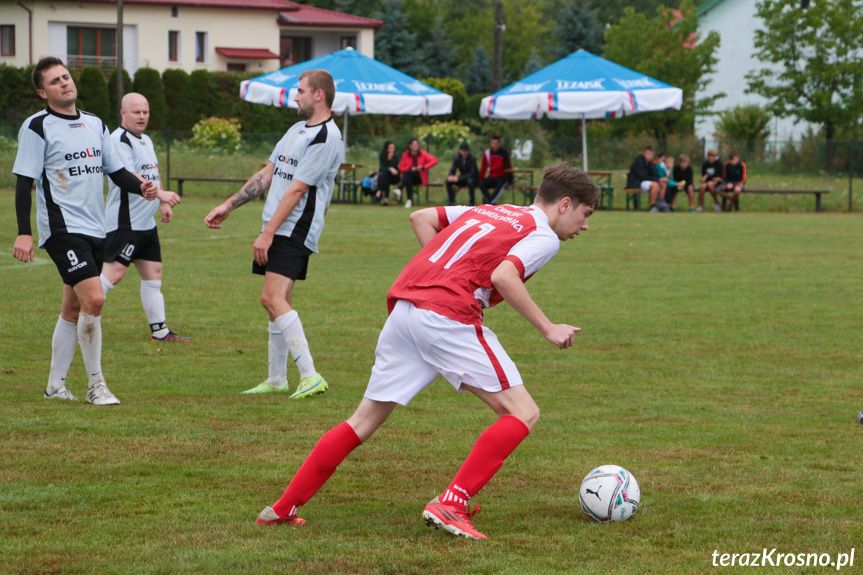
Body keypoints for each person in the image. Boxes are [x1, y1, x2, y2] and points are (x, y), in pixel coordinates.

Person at [254, 162, 599, 540]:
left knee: (363, 421)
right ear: (565, 204)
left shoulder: (488, 210)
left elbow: (422, 218)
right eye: (586, 214)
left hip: (405, 309)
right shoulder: (544, 234)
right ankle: (452, 502)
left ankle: (282, 508)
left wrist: (446, 271)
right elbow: (504, 275)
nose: (585, 227)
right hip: (445, 316)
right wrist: (549, 328)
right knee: (523, 412)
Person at [12, 57, 158, 405]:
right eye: (54, 81)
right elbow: (24, 182)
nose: (64, 83)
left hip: (97, 228)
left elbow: (116, 171)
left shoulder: (94, 123)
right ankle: (96, 385)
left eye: (65, 76)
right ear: (42, 92)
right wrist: (24, 231)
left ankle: (55, 387)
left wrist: (142, 187)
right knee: (95, 298)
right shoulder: (37, 126)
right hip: (63, 229)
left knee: (73, 309)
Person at [204, 69, 344, 398]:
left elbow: (297, 190)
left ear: (318, 95)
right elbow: (268, 173)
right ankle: (277, 379)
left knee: (271, 297)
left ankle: (310, 375)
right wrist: (229, 205)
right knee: (277, 302)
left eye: (300, 91)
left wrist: (268, 233)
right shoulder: (297, 128)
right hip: (279, 226)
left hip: (294, 229)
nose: (295, 97)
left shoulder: (327, 137)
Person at [100, 93, 190, 342]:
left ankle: (160, 332)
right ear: (123, 113)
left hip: (145, 224)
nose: (142, 116)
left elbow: (152, 172)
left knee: (154, 273)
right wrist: (163, 193)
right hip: (125, 222)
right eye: (136, 112)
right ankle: (77, 318)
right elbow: (129, 176)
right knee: (113, 275)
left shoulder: (146, 140)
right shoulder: (118, 140)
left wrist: (162, 202)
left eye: (145, 112)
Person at [398, 138, 438, 209]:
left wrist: (423, 167)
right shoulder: (405, 155)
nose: (415, 146)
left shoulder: (423, 154)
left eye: (417, 144)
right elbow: (401, 168)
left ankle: (400, 189)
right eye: (414, 144)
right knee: (409, 176)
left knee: (408, 174)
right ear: (410, 146)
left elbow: (434, 160)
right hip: (409, 178)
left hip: (419, 177)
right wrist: (410, 168)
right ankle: (409, 200)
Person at [478, 136, 513, 205]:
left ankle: (489, 203)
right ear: (491, 144)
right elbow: (483, 168)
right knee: (481, 184)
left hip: (502, 177)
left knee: (500, 184)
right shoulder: (487, 153)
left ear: (500, 144)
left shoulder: (504, 153)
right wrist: (480, 179)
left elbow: (509, 168)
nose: (495, 145)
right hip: (491, 177)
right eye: (493, 143)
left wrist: (510, 182)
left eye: (496, 143)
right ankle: (491, 202)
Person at [376, 140, 401, 206]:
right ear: (386, 148)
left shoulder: (395, 156)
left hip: (395, 177)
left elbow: (395, 168)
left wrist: (390, 161)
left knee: (385, 175)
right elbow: (381, 168)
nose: (392, 149)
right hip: (386, 177)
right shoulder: (382, 155)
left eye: (393, 147)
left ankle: (379, 191)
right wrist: (389, 167)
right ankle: (386, 200)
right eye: (390, 148)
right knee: (386, 175)